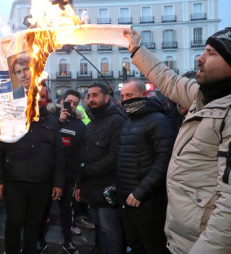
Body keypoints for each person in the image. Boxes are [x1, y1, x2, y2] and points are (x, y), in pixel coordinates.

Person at [124, 26, 231, 253]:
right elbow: (169, 81)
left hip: (202, 243)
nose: (200, 59)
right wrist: (137, 50)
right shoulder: (207, 97)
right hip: (182, 237)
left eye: (211, 53)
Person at [0, 85, 65, 254]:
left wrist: (58, 183)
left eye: (41, 96)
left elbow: (59, 154)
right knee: (14, 222)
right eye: (33, 95)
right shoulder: (8, 118)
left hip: (42, 183)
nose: (37, 99)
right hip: (14, 183)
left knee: (34, 224)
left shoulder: (51, 121)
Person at [117, 79, 175, 254]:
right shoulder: (128, 121)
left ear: (143, 95)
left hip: (147, 201)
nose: (125, 99)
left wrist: (142, 191)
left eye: (130, 95)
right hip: (127, 199)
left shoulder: (158, 121)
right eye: (123, 96)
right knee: (135, 245)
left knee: (153, 246)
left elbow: (164, 160)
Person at [75, 83, 125, 254]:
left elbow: (114, 157)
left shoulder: (116, 121)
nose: (91, 99)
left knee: (110, 230)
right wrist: (80, 184)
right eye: (89, 96)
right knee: (99, 229)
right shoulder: (93, 120)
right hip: (91, 188)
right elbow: (85, 153)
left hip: (107, 188)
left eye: (95, 95)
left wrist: (86, 172)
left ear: (106, 97)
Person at [44, 89, 86, 254]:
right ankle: (40, 240)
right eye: (70, 102)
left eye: (76, 103)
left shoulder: (79, 125)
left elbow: (82, 152)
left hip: (69, 176)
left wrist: (79, 179)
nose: (73, 106)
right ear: (62, 101)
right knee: (42, 210)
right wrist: (58, 122)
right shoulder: (49, 119)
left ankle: (67, 240)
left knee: (67, 211)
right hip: (47, 174)